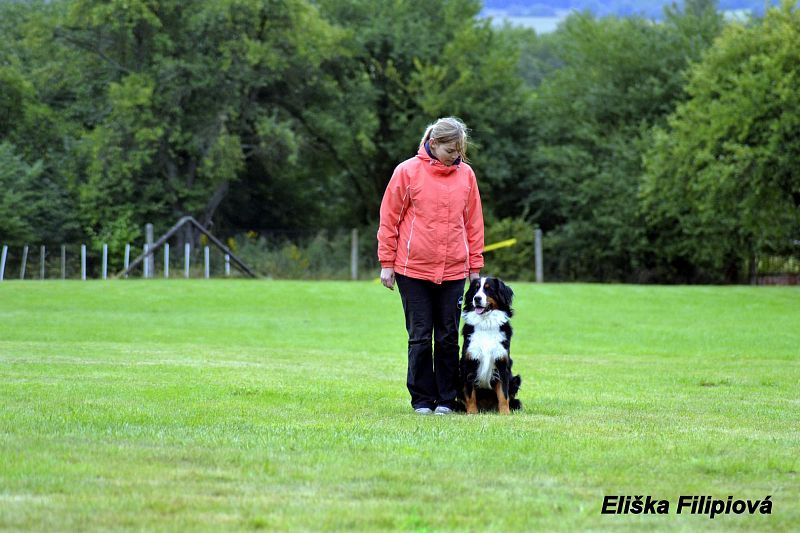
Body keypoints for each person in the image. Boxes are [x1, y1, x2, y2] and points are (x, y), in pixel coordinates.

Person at [377, 117, 484, 415]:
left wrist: (476, 268)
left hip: (453, 272)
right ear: (433, 144)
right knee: (421, 336)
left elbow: (474, 223)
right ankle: (422, 399)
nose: (456, 156)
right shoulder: (406, 172)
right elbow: (389, 219)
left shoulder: (467, 176)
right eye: (451, 150)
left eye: (460, 150)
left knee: (449, 337)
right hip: (412, 271)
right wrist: (387, 263)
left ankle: (447, 400)